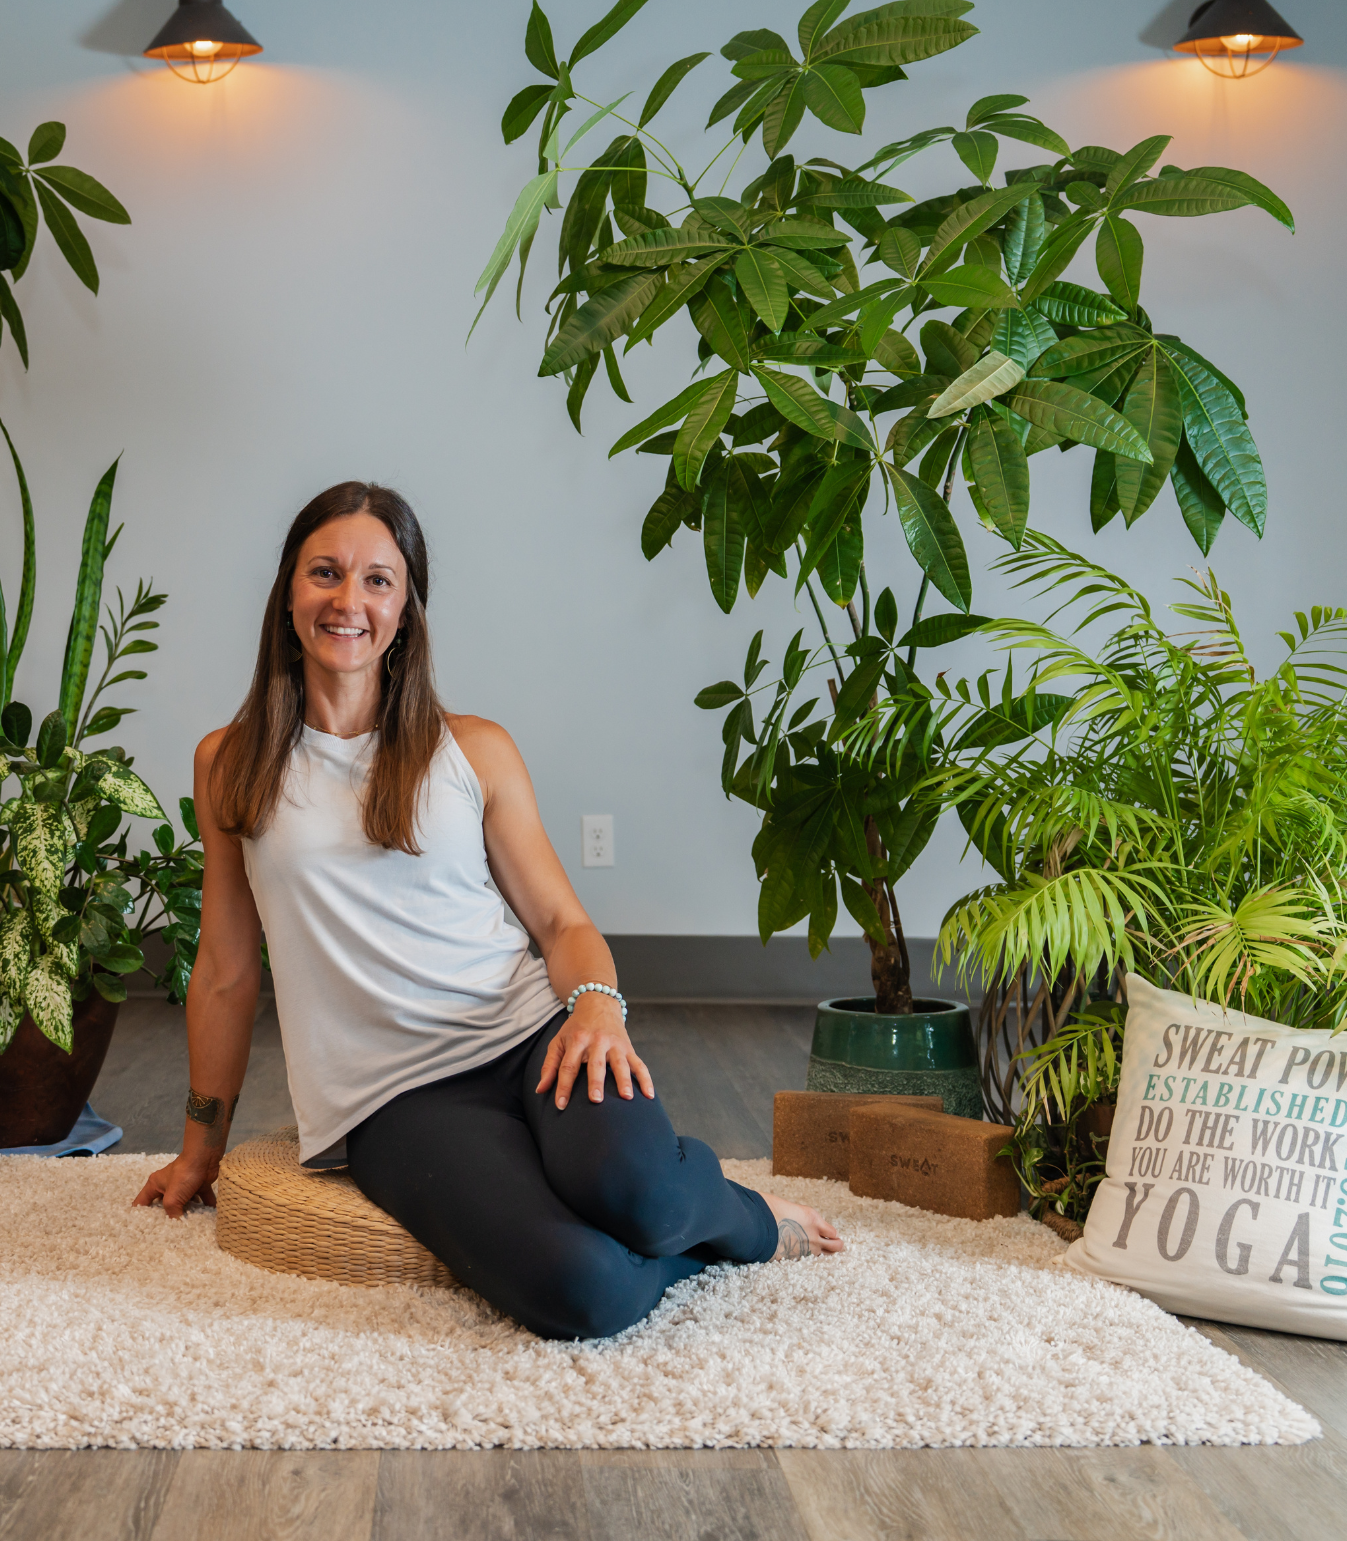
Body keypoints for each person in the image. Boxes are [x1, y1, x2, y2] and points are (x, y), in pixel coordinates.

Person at [133, 482, 842, 1339]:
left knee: (644, 1200)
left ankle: (741, 1214)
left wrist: (596, 1012)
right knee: (587, 1293)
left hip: (532, 1035)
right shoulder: (231, 763)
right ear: (289, 591)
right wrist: (200, 1149)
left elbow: (562, 927)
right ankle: (690, 1233)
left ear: (407, 608)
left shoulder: (471, 749)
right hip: (394, 1101)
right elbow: (225, 969)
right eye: (326, 573)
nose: (349, 600)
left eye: (378, 580)